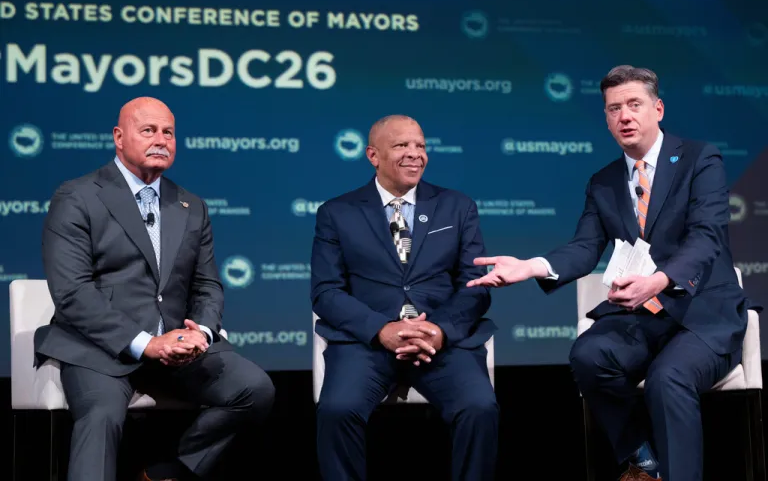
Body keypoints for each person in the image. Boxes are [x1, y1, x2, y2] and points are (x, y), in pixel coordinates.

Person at [466, 65, 759, 481]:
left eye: (634, 104)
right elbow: (585, 248)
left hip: (702, 313)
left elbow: (706, 237)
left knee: (667, 378)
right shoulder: (603, 182)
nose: (624, 116)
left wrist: (658, 280)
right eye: (613, 108)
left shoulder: (698, 159)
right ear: (606, 118)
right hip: (644, 319)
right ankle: (643, 461)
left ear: (657, 109)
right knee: (588, 355)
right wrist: (532, 266)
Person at [34, 97, 275, 481]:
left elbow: (207, 283)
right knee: (101, 416)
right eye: (148, 130)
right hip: (100, 349)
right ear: (118, 136)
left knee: (254, 389)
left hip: (175, 351)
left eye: (168, 132)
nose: (160, 140)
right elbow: (73, 292)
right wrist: (145, 342)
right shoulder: (78, 196)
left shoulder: (190, 205)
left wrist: (201, 332)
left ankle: (169, 472)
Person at [310, 114, 499, 480]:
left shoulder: (457, 206)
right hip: (366, 342)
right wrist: (381, 329)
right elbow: (326, 292)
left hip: (440, 341)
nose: (415, 154)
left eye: (421, 146)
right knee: (337, 410)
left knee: (480, 408)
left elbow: (476, 283)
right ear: (372, 155)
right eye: (401, 145)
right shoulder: (337, 212)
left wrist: (439, 331)